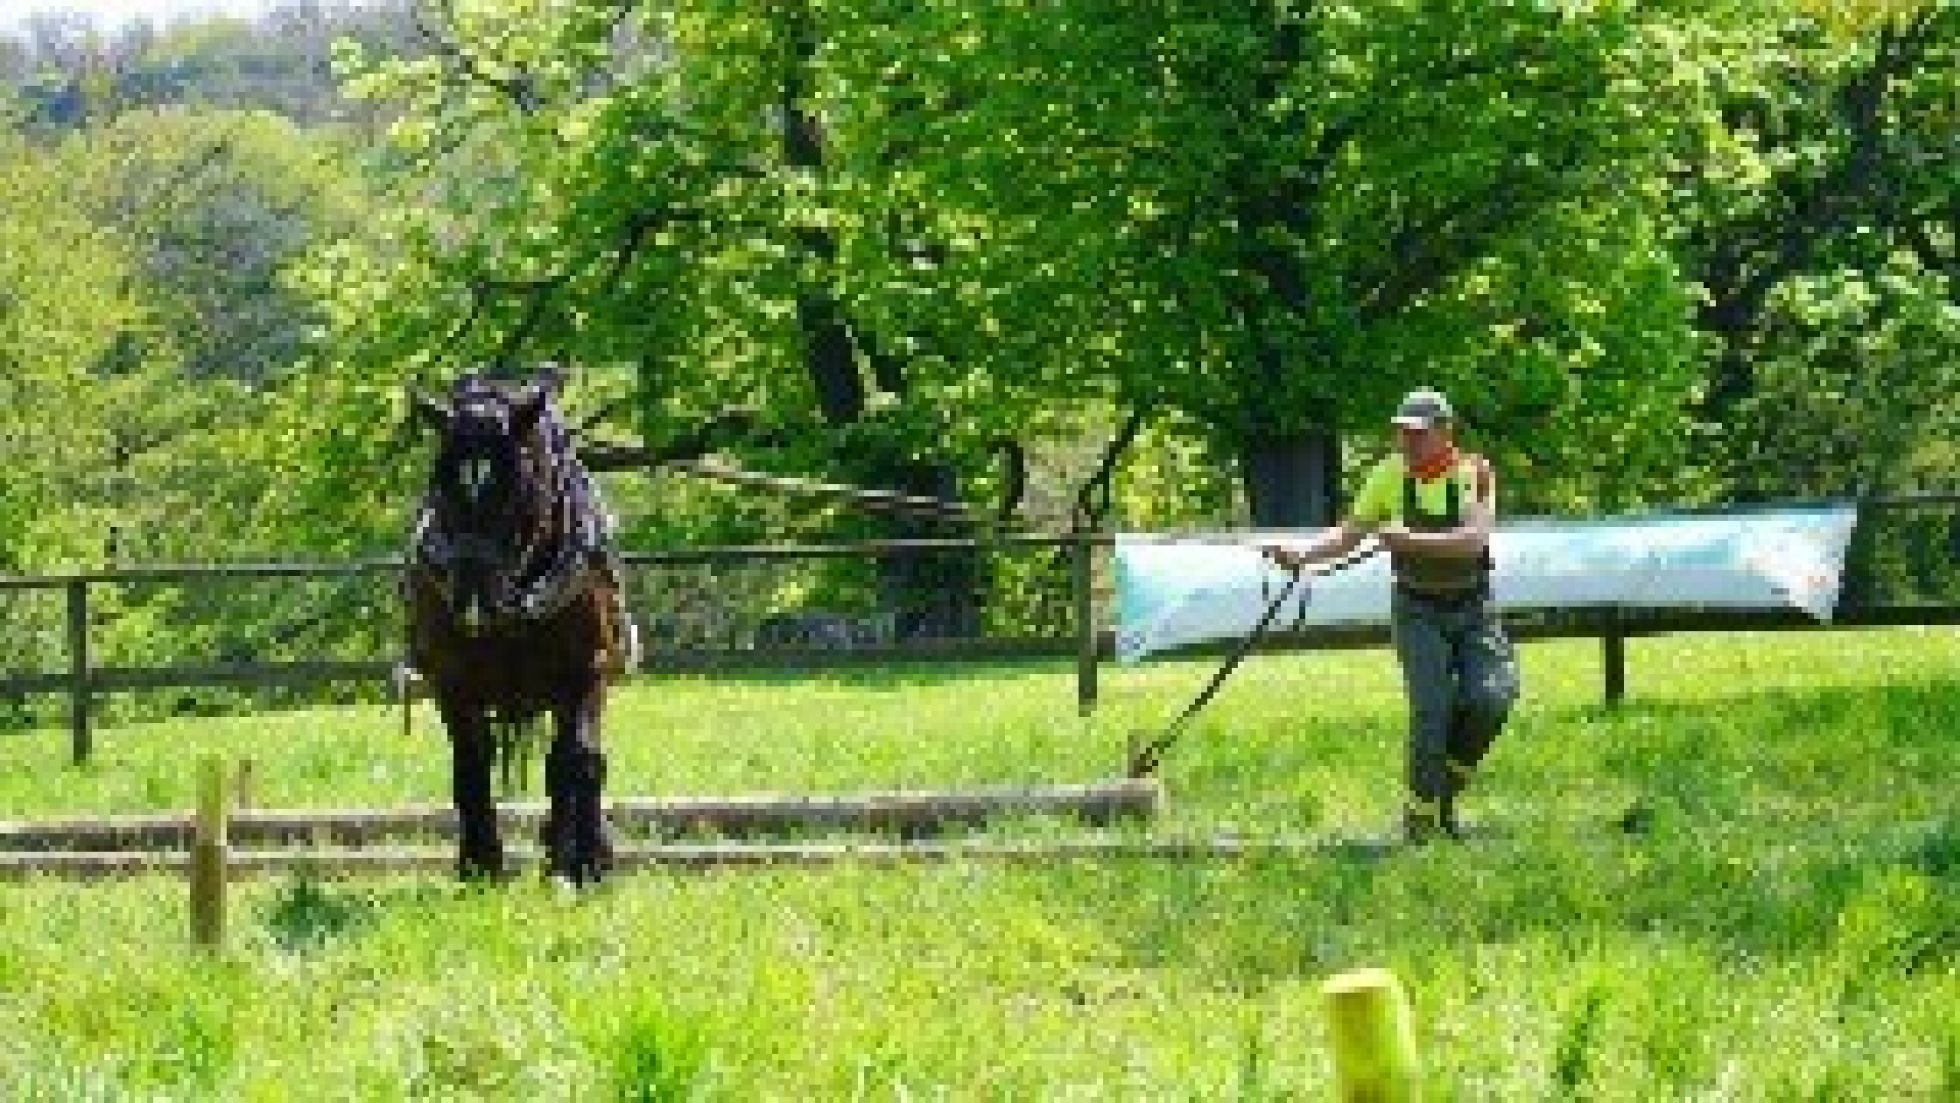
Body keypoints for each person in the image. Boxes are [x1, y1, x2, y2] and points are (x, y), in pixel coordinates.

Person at [1263, 387, 1519, 843]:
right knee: (1432, 712)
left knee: (1492, 698)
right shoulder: (1385, 476)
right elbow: (1348, 536)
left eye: (1418, 434)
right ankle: (1419, 825)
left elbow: (1474, 541)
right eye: (1402, 433)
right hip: (1417, 609)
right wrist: (1301, 555)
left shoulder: (1474, 474)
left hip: (1474, 607)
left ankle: (1444, 795)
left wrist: (1406, 540)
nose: (1407, 442)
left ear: (1445, 432)